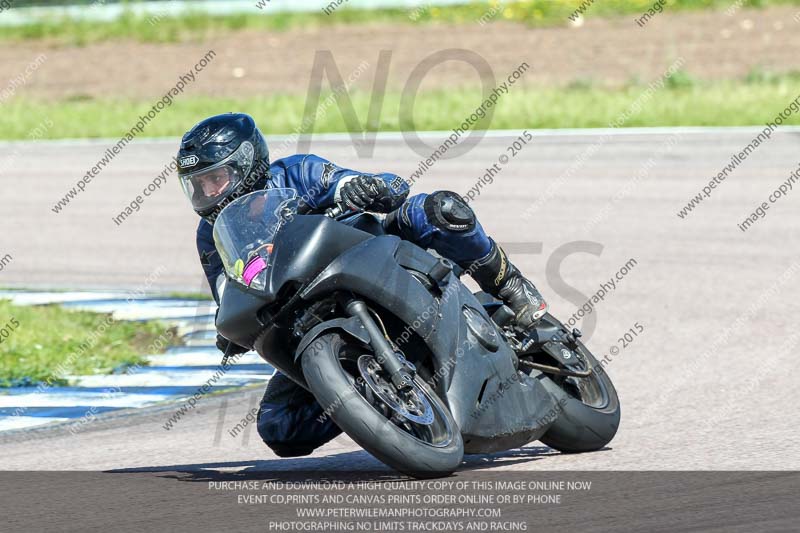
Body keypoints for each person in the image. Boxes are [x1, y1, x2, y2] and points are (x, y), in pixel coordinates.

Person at [177, 112, 548, 458]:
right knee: (280, 427)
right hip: (304, 313)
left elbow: (359, 182)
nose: (208, 192)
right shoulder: (210, 235)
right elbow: (226, 291)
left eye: (215, 178)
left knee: (439, 210)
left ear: (247, 165)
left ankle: (509, 284)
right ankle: (379, 405)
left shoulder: (296, 173)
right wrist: (229, 329)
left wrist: (364, 188)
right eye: (198, 184)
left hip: (368, 255)